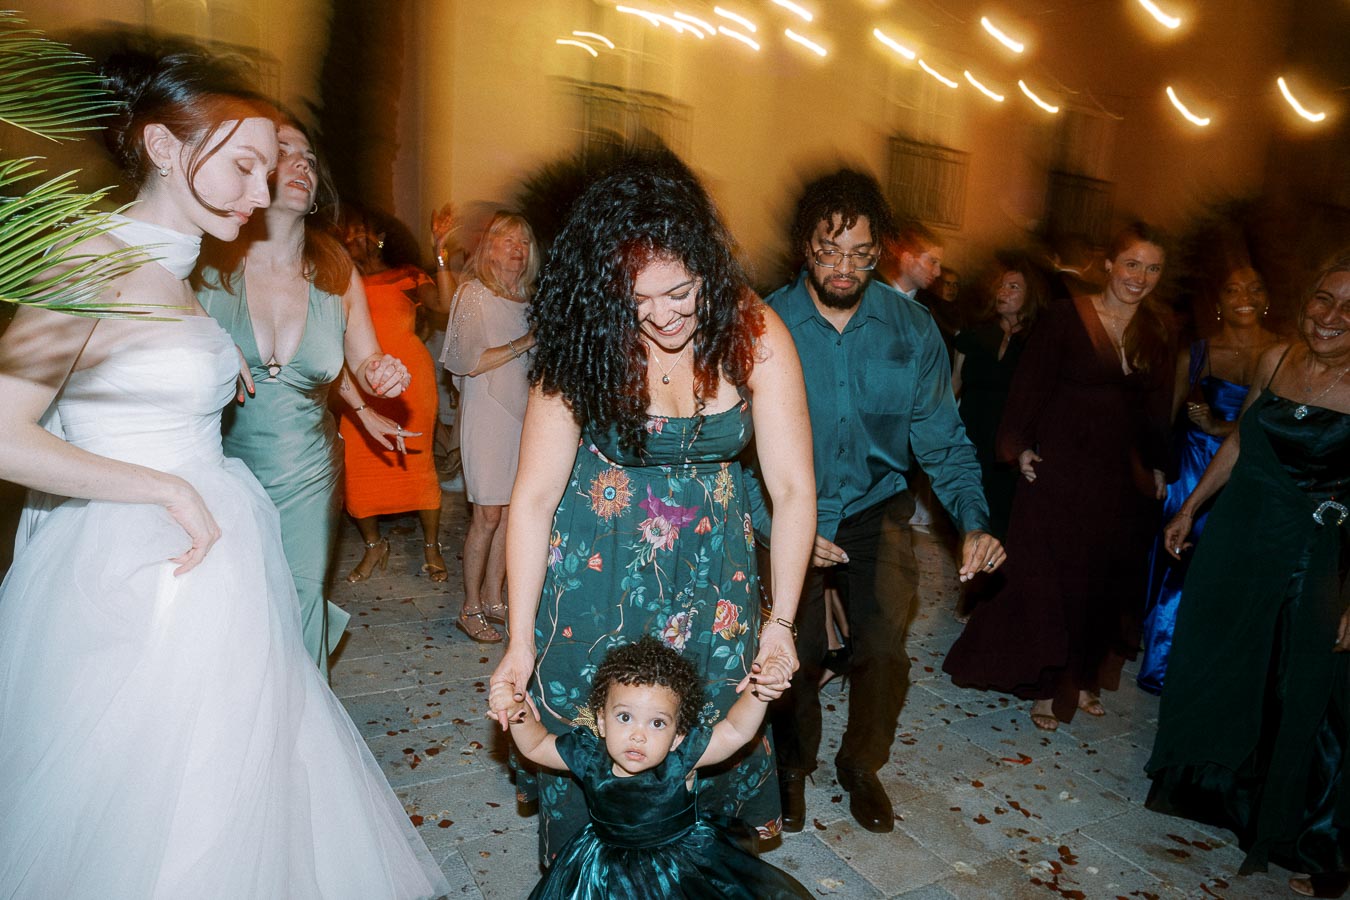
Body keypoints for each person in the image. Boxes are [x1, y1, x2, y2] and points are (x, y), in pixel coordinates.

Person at [0, 49, 447, 898]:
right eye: (242, 165)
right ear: (166, 149)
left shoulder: (180, 271)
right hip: (137, 568)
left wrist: (212, 370)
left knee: (233, 785)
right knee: (144, 799)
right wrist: (164, 485)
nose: (259, 191)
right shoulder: (81, 264)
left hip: (216, 556)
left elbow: (143, 372)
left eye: (268, 169)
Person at [488, 156, 815, 863]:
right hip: (596, 572)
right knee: (592, 727)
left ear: (708, 269)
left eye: (680, 292)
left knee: (709, 726)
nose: (662, 316)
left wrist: (783, 621)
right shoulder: (585, 340)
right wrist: (517, 640)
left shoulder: (755, 333)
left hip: (711, 579)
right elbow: (535, 497)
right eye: (639, 300)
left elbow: (792, 491)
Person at [765, 169, 1002, 835]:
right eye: (827, 251)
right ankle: (792, 765)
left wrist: (974, 521)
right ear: (803, 247)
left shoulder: (911, 330)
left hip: (877, 507)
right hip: (789, 509)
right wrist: (777, 526)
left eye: (860, 254)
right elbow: (734, 449)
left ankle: (860, 764)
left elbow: (943, 438)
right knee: (797, 648)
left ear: (882, 253)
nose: (843, 268)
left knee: (884, 648)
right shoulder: (764, 324)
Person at [1146, 254, 1350, 899]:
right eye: (1324, 299)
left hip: (1312, 552)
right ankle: (1213, 794)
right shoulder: (1277, 359)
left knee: (1300, 690)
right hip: (1239, 535)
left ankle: (1307, 840)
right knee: (1222, 662)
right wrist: (1190, 507)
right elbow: (1241, 443)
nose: (1331, 318)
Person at [197, 117, 411, 676]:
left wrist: (379, 379)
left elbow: (362, 362)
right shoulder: (207, 265)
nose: (300, 163)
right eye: (283, 152)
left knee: (298, 601)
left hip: (306, 470)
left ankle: (298, 728)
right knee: (224, 603)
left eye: (309, 158)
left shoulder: (338, 274)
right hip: (216, 466)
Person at [943, 222, 1174, 731]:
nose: (1140, 277)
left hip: (1120, 479)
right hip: (1060, 469)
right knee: (1050, 577)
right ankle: (1047, 684)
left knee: (1102, 581)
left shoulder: (1157, 329)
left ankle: (1085, 675)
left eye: (1153, 268)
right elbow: (1031, 384)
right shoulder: (1066, 317)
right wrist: (1017, 445)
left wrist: (1160, 465)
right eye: (1132, 264)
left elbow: (1159, 406)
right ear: (1110, 264)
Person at [493, 636, 811, 899]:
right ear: (601, 722)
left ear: (678, 736)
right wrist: (517, 711)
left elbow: (735, 731)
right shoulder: (589, 757)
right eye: (625, 717)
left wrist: (760, 690)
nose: (638, 734)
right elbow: (536, 745)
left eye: (658, 723)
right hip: (601, 872)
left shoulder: (681, 762)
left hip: (680, 870)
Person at [1136, 255, 1277, 694]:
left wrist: (1220, 426)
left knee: (1231, 569)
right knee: (1179, 564)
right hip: (1194, 470)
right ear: (1218, 301)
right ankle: (1161, 665)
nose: (1245, 298)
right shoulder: (1196, 352)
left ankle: (1212, 666)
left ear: (1268, 299)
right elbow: (1166, 417)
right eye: (1233, 290)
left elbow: (1277, 425)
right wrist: (1157, 469)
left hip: (1252, 471)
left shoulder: (1285, 356)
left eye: (1254, 289)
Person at [337, 206, 453, 584]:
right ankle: (374, 546)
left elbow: (444, 306)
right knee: (357, 464)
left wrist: (440, 252)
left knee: (418, 461)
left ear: (379, 236)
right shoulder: (336, 281)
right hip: (357, 382)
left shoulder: (408, 275)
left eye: (361, 231)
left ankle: (432, 546)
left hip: (409, 382)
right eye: (348, 233)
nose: (354, 237)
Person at [440, 211, 540, 642]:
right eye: (507, 240)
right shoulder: (474, 295)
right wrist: (525, 341)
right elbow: (464, 361)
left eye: (524, 241)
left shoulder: (533, 301)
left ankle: (496, 597)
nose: (517, 248)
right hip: (487, 413)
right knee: (487, 514)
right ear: (490, 248)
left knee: (513, 512)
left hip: (526, 415)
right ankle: (470, 606)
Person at [951, 256, 1046, 543]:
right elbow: (954, 383)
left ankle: (990, 581)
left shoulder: (1038, 342)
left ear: (1029, 296)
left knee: (1000, 522)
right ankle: (969, 577)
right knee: (966, 515)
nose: (1003, 293)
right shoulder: (975, 333)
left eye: (1014, 287)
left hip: (1007, 447)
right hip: (970, 438)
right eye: (1001, 286)